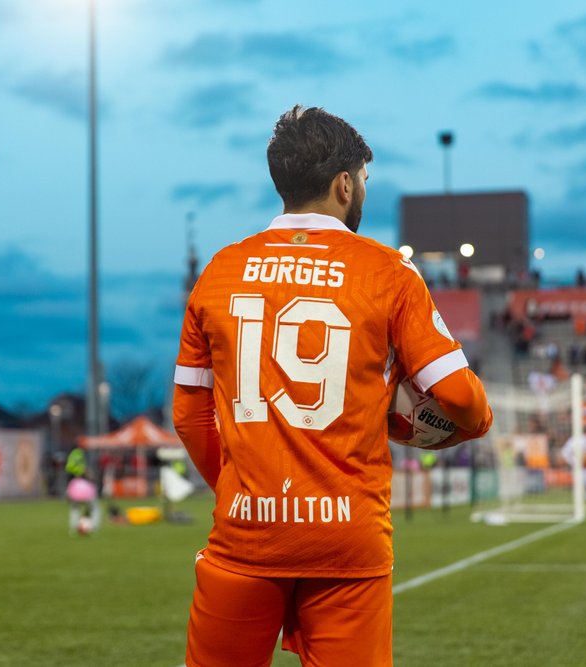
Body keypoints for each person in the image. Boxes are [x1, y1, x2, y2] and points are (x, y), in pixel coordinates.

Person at [172, 105, 493, 667]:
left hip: (246, 532)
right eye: (364, 179)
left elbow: (189, 416)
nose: (363, 190)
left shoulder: (220, 270)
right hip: (348, 538)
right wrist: (473, 424)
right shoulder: (387, 271)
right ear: (344, 185)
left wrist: (243, 495)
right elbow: (460, 397)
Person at [64, 446, 101, 535]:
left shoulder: (70, 468)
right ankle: (94, 527)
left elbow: (68, 483)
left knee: (74, 509)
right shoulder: (84, 468)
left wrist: (68, 494)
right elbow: (91, 479)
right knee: (95, 508)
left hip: (74, 491)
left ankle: (73, 529)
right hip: (87, 492)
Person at [560, 432, 586, 514]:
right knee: (579, 488)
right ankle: (579, 507)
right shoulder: (571, 441)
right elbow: (565, 453)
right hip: (577, 469)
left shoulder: (585, 439)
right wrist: (573, 462)